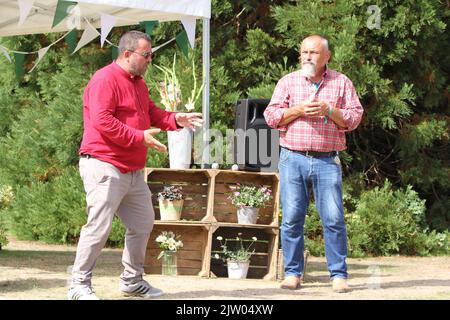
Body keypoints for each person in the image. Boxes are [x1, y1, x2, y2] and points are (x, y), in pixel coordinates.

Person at [67, 30, 203, 300]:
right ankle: (78, 285)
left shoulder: (138, 82)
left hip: (131, 169)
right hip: (104, 164)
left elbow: (151, 112)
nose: (150, 60)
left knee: (143, 223)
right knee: (99, 226)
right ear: (127, 54)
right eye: (146, 55)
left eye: (151, 54)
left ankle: (132, 281)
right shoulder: (104, 79)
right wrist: (139, 137)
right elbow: (102, 121)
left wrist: (176, 119)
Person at [264, 35, 363, 293]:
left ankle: (338, 275)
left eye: (314, 52)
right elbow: (271, 117)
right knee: (293, 218)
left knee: (333, 219)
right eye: (304, 52)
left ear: (327, 56)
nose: (308, 56)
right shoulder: (288, 82)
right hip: (292, 158)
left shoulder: (341, 82)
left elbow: (354, 119)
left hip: (327, 160)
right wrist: (297, 110)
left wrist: (330, 111)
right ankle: (293, 273)